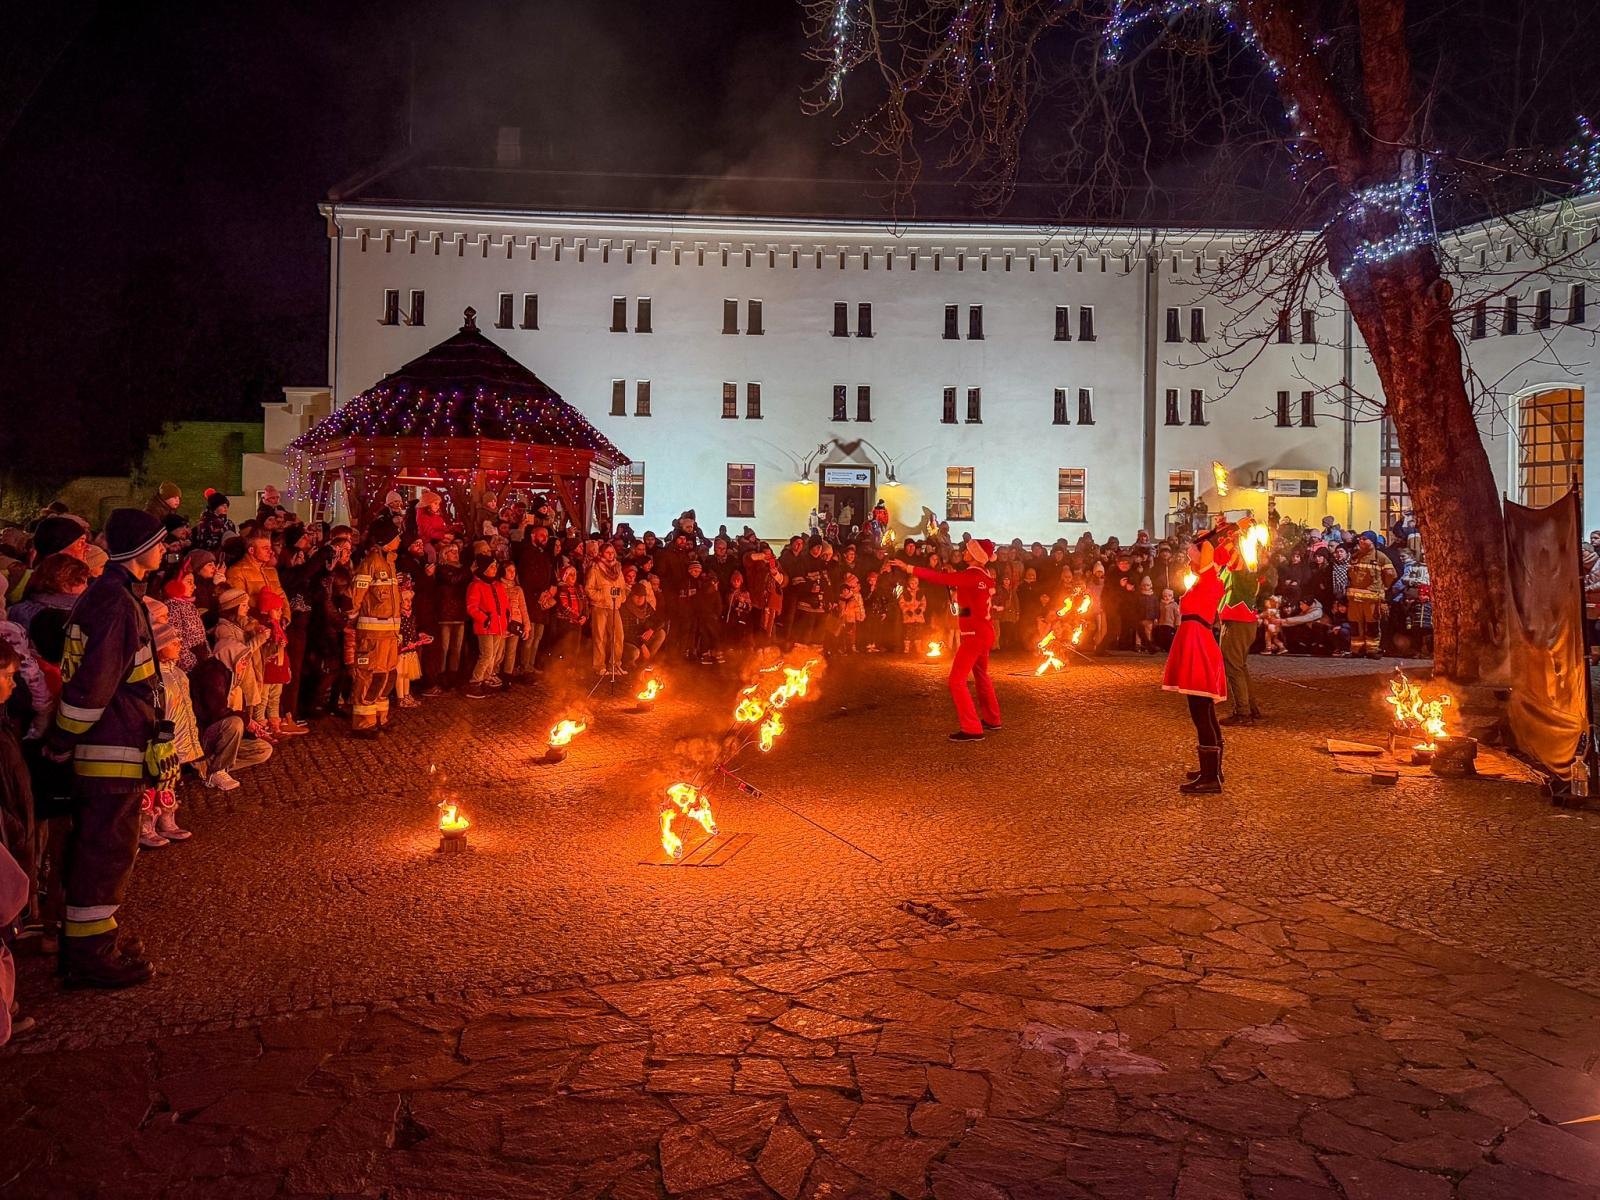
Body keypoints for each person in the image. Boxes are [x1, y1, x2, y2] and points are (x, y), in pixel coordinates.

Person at [43, 509, 170, 988]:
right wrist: (62, 741)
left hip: (114, 743)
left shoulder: (112, 595)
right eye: (159, 543)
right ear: (139, 550)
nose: (165, 550)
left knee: (101, 850)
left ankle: (96, 939)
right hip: (111, 749)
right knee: (105, 854)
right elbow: (93, 688)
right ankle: (91, 956)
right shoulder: (116, 603)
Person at [1161, 521, 1248, 794]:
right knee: (1204, 709)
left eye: (1193, 557)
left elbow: (1206, 545)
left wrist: (1223, 530)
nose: (1190, 560)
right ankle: (1213, 770)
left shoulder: (1210, 578)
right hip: (1195, 643)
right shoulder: (1205, 579)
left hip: (1198, 645)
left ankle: (1210, 777)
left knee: (1200, 710)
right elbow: (1205, 549)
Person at [889, 537, 1001, 741]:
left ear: (975, 556)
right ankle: (993, 718)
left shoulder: (971, 575)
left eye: (967, 550)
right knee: (981, 675)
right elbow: (973, 606)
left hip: (974, 635)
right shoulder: (986, 575)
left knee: (956, 680)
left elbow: (939, 578)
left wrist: (909, 568)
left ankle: (972, 728)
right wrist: (961, 609)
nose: (963, 551)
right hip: (985, 631)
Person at [350, 515, 403, 734]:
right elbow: (355, 598)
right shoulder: (371, 563)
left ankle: (380, 717)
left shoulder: (390, 563)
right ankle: (363, 723)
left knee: (387, 676)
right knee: (369, 676)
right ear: (385, 540)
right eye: (396, 536)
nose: (400, 539)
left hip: (390, 634)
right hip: (372, 636)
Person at [464, 554, 509, 699]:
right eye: (491, 567)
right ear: (484, 569)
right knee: (487, 655)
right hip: (485, 627)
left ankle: (486, 679)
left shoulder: (498, 585)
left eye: (495, 566)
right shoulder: (476, 585)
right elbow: (472, 607)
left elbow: (505, 604)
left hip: (499, 626)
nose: (495, 569)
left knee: (494, 655)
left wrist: (507, 618)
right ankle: (475, 682)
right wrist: (485, 618)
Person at [586, 542, 627, 676]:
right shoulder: (595, 568)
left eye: (612, 552)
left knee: (618, 636)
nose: (610, 555)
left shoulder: (617, 569)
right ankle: (599, 666)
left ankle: (615, 664)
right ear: (602, 554)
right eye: (608, 552)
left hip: (614, 607)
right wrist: (602, 596)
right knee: (600, 637)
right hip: (600, 607)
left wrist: (621, 598)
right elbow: (589, 589)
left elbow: (622, 587)